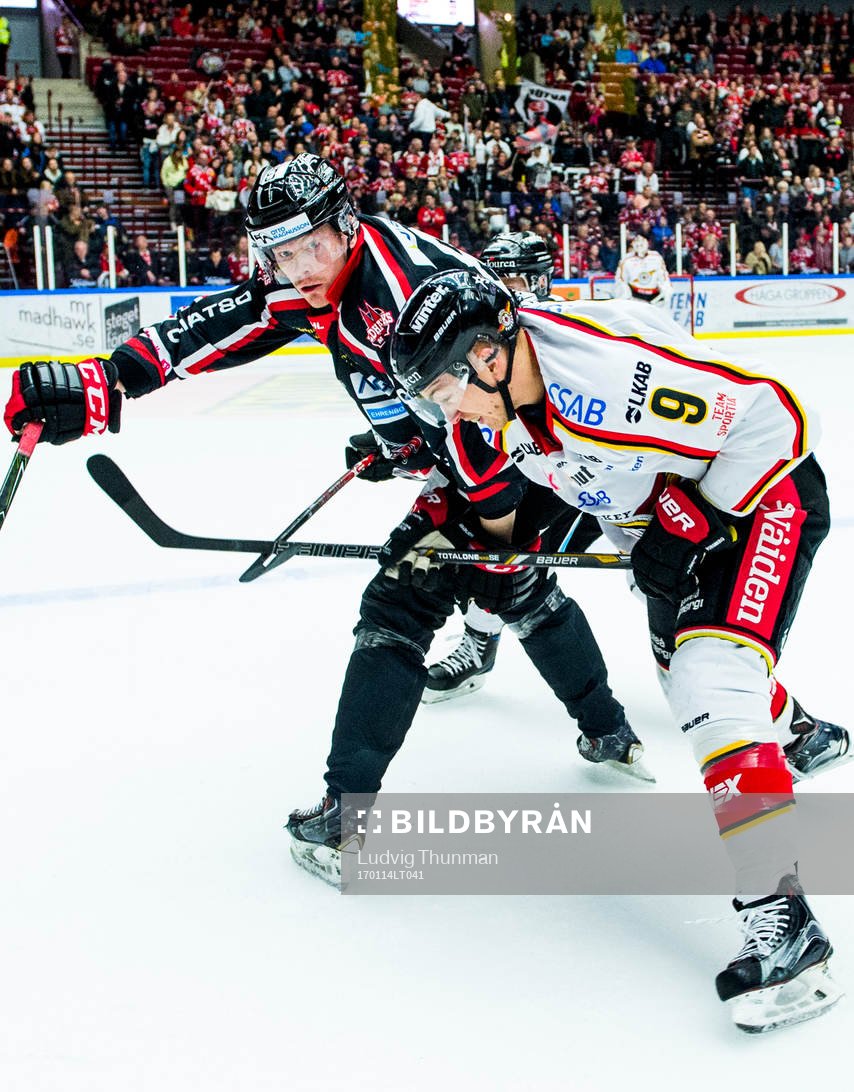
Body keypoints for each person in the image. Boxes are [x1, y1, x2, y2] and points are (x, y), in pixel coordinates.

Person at [2, 153, 647, 884]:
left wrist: (498, 529)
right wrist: (108, 379)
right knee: (520, 593)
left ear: (345, 226)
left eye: (311, 244)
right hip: (485, 454)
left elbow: (482, 433)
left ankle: (348, 820)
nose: (298, 265)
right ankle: (610, 733)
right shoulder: (322, 280)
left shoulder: (404, 295)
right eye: (280, 251)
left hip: (525, 460)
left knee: (401, 603)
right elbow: (233, 320)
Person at [386, 268, 850, 1034]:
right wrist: (433, 503)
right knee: (688, 676)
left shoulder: (607, 382)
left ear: (490, 358)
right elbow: (534, 488)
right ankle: (803, 733)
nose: (449, 411)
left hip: (763, 502)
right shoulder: (502, 400)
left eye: (445, 390)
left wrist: (693, 516)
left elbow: (782, 417)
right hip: (675, 527)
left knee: (709, 678)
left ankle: (786, 919)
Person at [424, 229, 602, 704]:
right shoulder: (485, 340)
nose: (506, 286)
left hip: (597, 473)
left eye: (516, 278)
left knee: (649, 574)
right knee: (502, 560)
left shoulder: (563, 328)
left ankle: (704, 657)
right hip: (537, 474)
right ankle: (479, 644)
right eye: (497, 276)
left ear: (541, 280)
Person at [613, 235, 672, 307]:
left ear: (647, 243)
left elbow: (664, 277)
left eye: (642, 242)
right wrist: (625, 293)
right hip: (635, 298)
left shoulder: (656, 257)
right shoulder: (626, 260)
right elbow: (620, 280)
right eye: (637, 242)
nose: (639, 245)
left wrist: (666, 288)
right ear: (633, 244)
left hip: (655, 298)